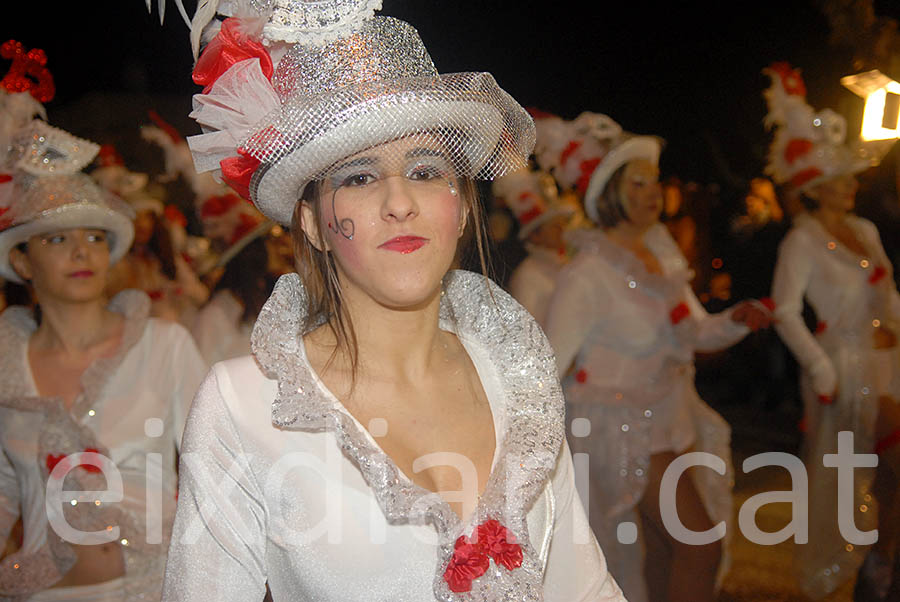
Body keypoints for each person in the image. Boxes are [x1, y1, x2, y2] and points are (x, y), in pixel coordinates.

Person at [158, 4, 624, 601]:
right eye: (358, 176)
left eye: (428, 171)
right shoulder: (244, 406)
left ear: (460, 210)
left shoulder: (517, 376)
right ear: (314, 222)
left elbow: (583, 589)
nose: (400, 201)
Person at [543, 115, 772, 602]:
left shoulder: (659, 260)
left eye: (655, 181)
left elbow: (693, 331)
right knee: (699, 546)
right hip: (612, 425)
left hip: (664, 417)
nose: (653, 193)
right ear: (608, 194)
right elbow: (547, 366)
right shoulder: (587, 273)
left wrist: (736, 319)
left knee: (666, 552)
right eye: (637, 182)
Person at [0, 64, 207, 600]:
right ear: (21, 263)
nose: (80, 252)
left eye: (94, 235)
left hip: (157, 588)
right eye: (54, 240)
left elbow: (220, 479)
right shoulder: (5, 367)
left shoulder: (165, 346)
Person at [764, 62, 900, 601]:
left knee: (887, 476)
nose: (850, 185)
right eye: (840, 178)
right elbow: (784, 310)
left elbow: (889, 296)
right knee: (852, 475)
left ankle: (881, 564)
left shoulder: (865, 230)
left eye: (850, 176)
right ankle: (862, 568)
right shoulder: (800, 242)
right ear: (817, 187)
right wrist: (820, 368)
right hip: (845, 368)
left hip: (889, 362)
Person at [493, 168, 577, 329]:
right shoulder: (529, 275)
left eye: (562, 225)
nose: (562, 231)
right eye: (554, 227)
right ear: (535, 236)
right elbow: (526, 332)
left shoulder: (566, 264)